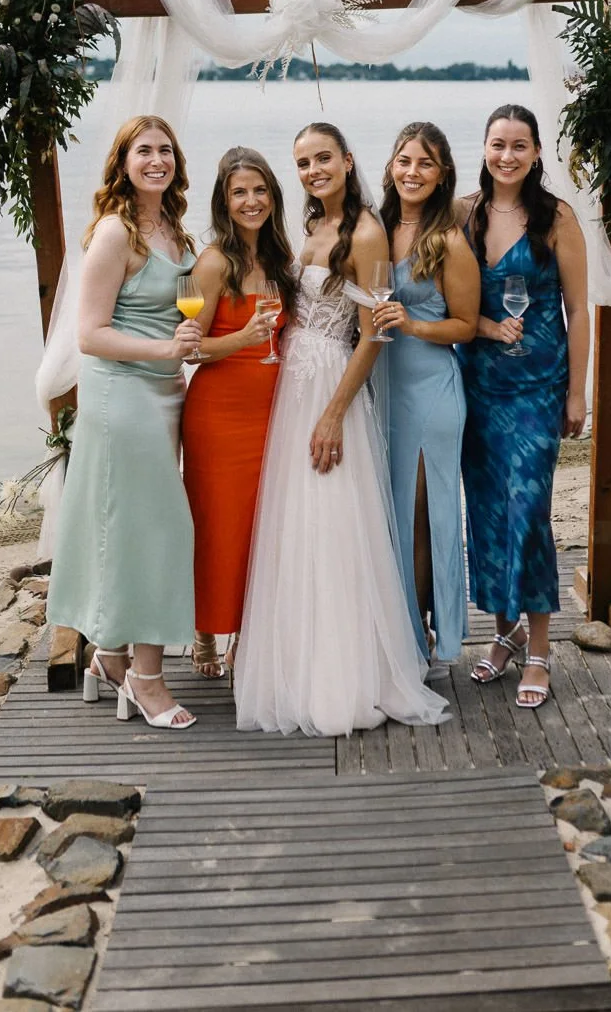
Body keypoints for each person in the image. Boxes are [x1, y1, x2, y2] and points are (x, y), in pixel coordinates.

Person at [234, 122, 450, 737]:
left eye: (322, 158)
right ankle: (295, 665)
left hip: (333, 384)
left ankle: (346, 674)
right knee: (294, 524)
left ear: (349, 160)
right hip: (293, 386)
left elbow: (375, 331)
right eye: (302, 162)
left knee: (333, 523)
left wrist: (333, 413)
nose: (312, 171)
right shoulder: (310, 228)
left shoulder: (366, 230)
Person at [46, 115, 203, 731]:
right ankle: (145, 676)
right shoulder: (114, 232)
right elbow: (89, 335)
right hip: (123, 398)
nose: (157, 160)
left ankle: (107, 657)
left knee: (140, 525)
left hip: (166, 394)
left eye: (166, 150)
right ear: (123, 161)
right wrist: (167, 350)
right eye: (144, 151)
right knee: (161, 530)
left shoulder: (172, 229)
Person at [456, 103, 588, 708]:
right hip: (477, 384)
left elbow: (579, 310)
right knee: (485, 514)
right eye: (497, 144)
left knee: (529, 508)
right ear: (483, 148)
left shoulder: (556, 218)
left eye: (519, 145)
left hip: (538, 384)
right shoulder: (466, 214)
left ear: (537, 153)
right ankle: (502, 634)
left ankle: (540, 648)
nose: (506, 155)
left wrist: (578, 390)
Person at [181, 147, 296, 680]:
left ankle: (245, 637)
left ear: (272, 196)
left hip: (272, 411)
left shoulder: (279, 258)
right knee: (215, 526)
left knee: (258, 528)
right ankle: (205, 632)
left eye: (260, 190)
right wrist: (242, 341)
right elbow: (189, 348)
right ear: (224, 203)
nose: (251, 201)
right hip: (218, 415)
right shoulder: (213, 262)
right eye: (239, 192)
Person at [372, 122, 480, 666]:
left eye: (425, 164)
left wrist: (411, 325)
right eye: (404, 160)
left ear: (442, 176)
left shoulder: (448, 241)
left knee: (422, 517)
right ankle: (399, 633)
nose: (412, 172)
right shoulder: (375, 226)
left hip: (431, 390)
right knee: (387, 514)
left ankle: (421, 643)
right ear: (390, 166)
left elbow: (464, 324)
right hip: (383, 391)